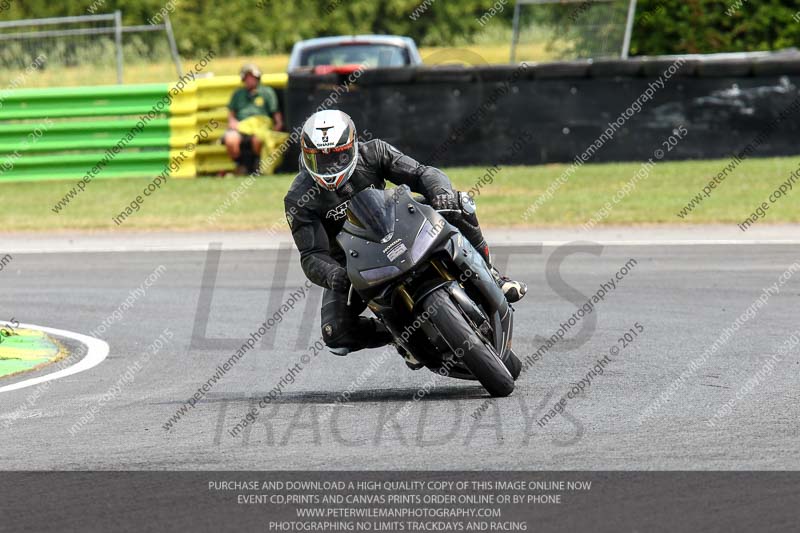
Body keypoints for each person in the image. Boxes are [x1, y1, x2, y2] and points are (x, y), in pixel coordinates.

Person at [284, 109, 526, 357]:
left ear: (353, 145)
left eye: (337, 156)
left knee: (459, 204)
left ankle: (492, 273)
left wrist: (439, 192)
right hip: (351, 261)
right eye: (320, 159)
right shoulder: (298, 197)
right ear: (305, 156)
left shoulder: (375, 152)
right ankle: (396, 334)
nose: (330, 166)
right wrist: (333, 275)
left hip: (397, 223)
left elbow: (423, 173)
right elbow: (312, 254)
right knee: (335, 333)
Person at [223, 64, 284, 175]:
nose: (250, 80)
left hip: (261, 127)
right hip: (242, 127)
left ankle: (255, 165)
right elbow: (231, 115)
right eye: (247, 77)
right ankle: (240, 165)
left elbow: (276, 115)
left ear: (258, 78)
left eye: (252, 77)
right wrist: (233, 123)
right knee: (230, 139)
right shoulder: (238, 94)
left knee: (258, 139)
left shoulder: (267, 92)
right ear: (243, 79)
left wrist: (277, 125)